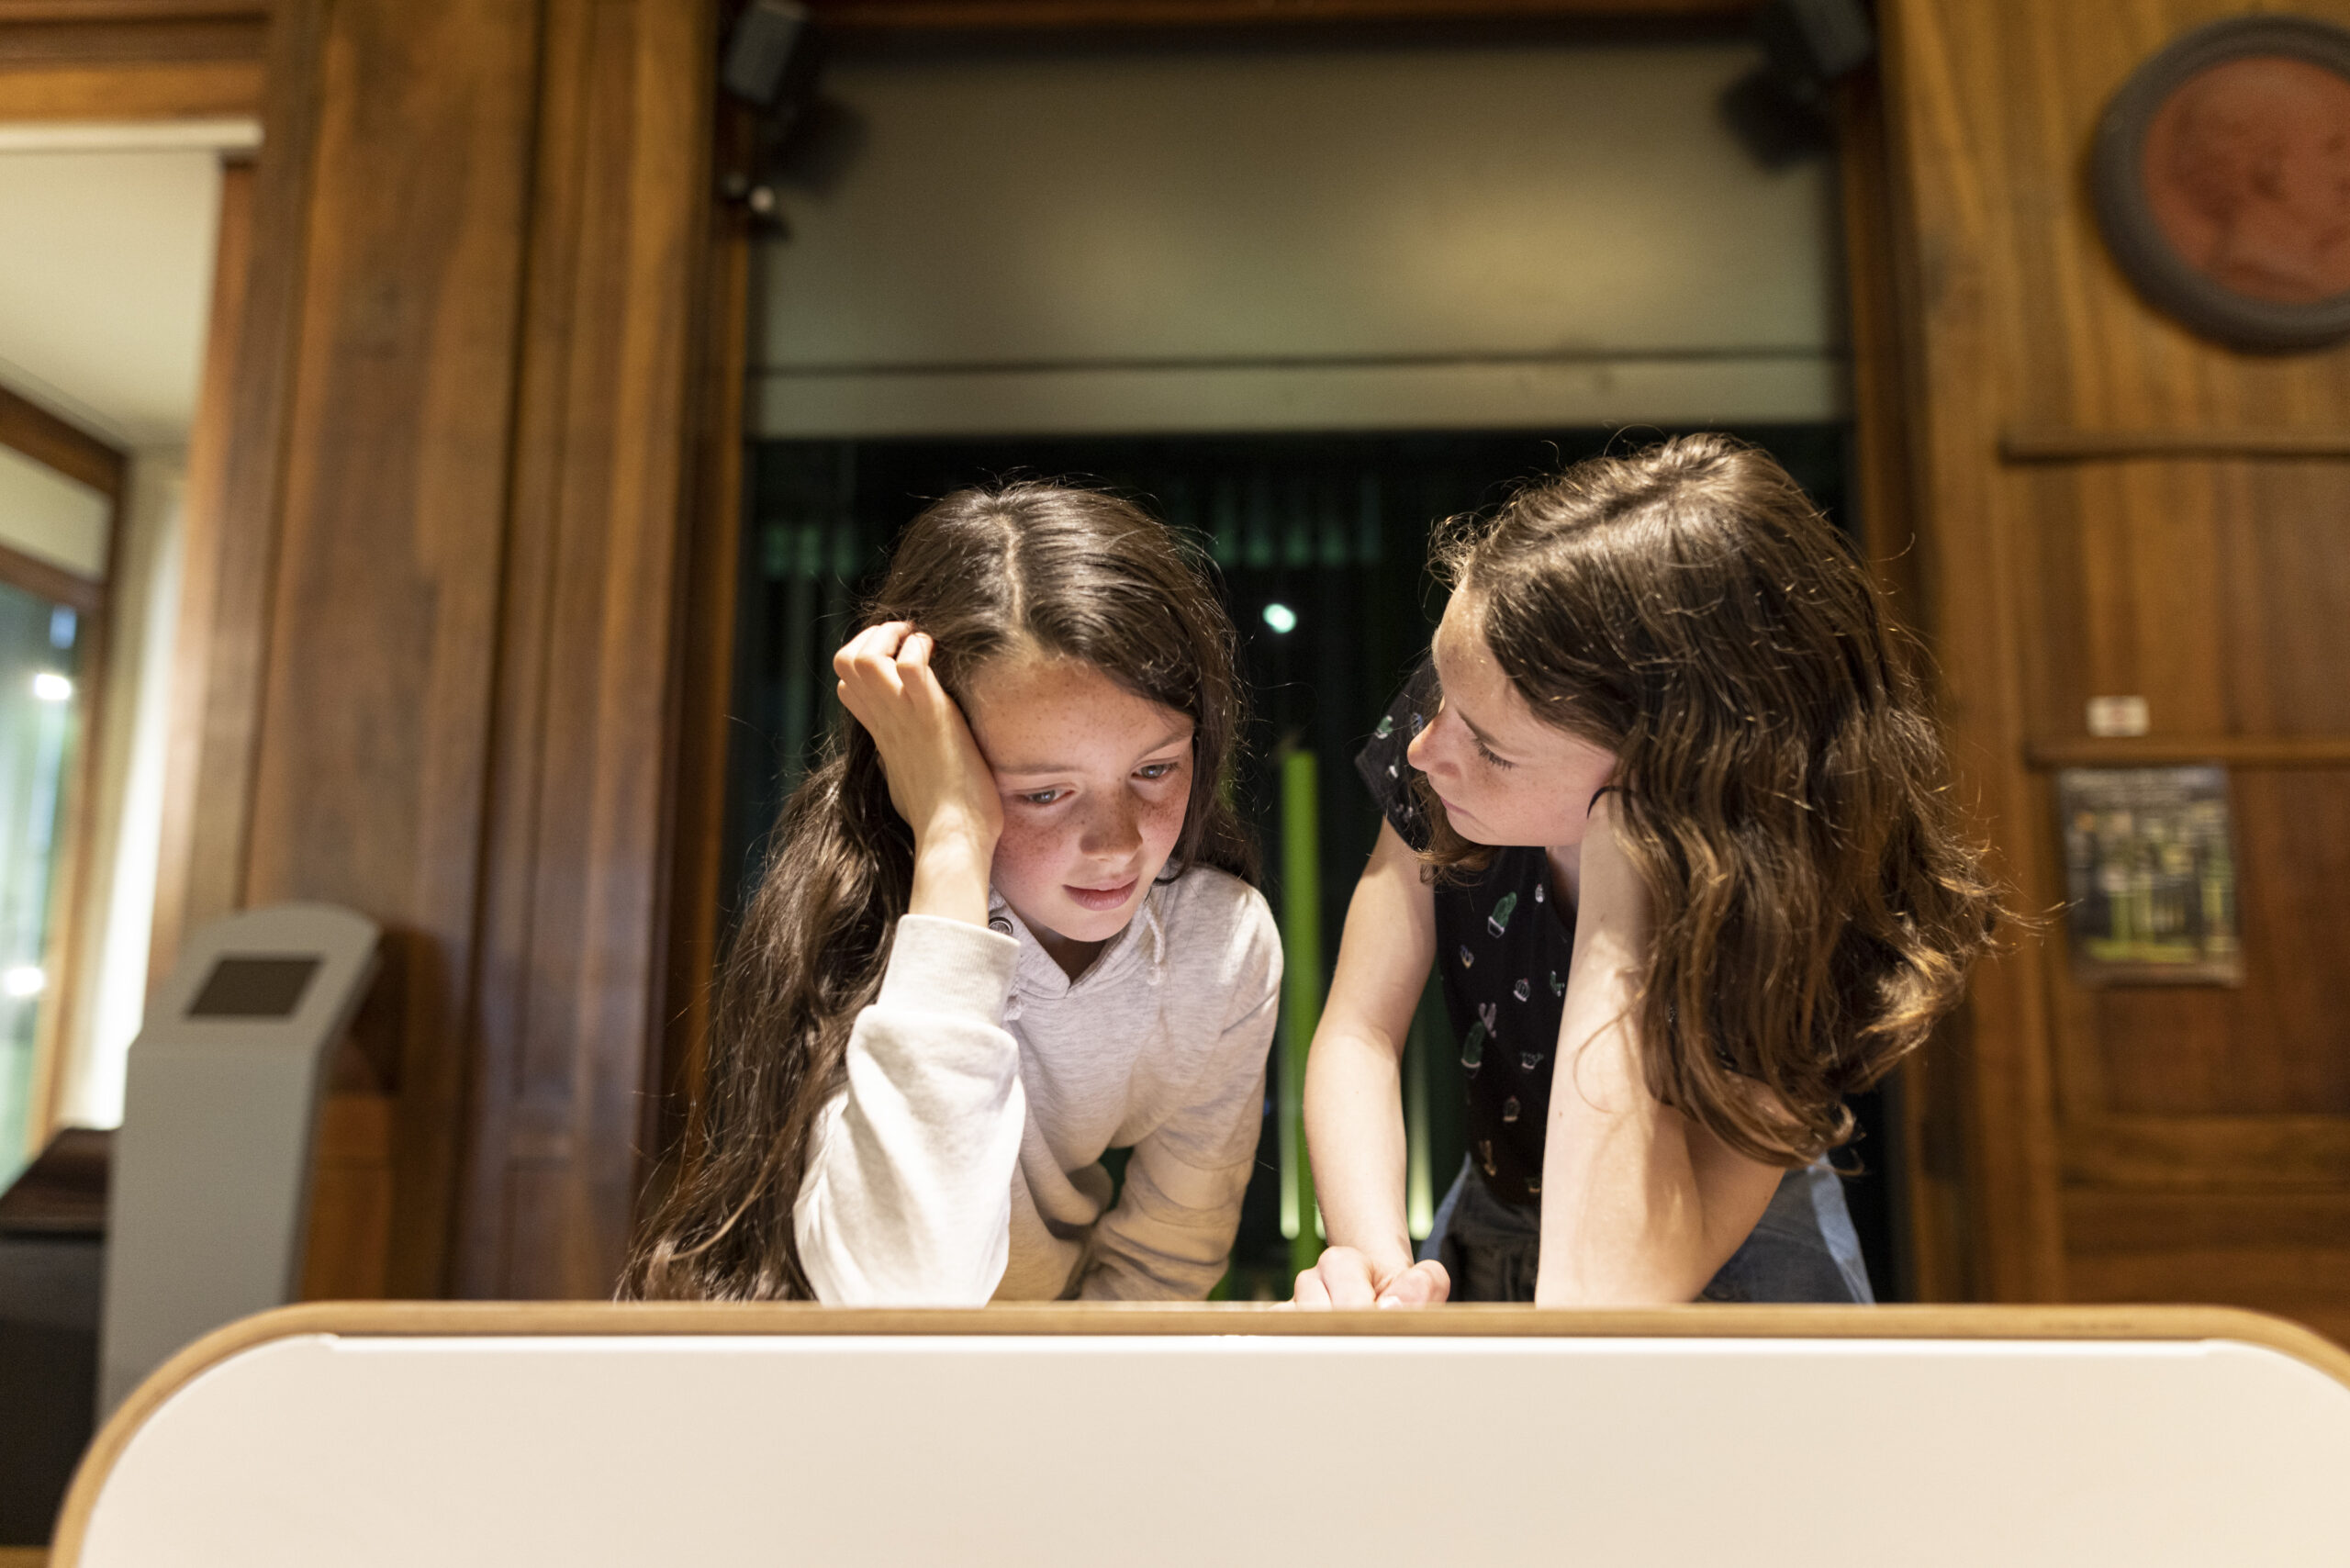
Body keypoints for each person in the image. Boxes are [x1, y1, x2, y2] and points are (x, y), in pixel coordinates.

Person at [1295, 435, 1999, 1307]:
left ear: (1675, 774)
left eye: (1491, 748)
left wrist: (1621, 875)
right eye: (1441, 696)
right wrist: (1374, 1264)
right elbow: (1359, 1031)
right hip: (1492, 1207)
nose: (1424, 750)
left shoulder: (1791, 910)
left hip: (1714, 1243)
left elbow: (1607, 1294)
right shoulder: (1460, 735)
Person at [626, 483, 1280, 1305]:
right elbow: (903, 1296)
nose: (1117, 843)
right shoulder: (868, 911)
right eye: (1044, 793)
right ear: (933, 764)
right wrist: (950, 841)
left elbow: (1163, 1266)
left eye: (1155, 771)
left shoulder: (1219, 944)